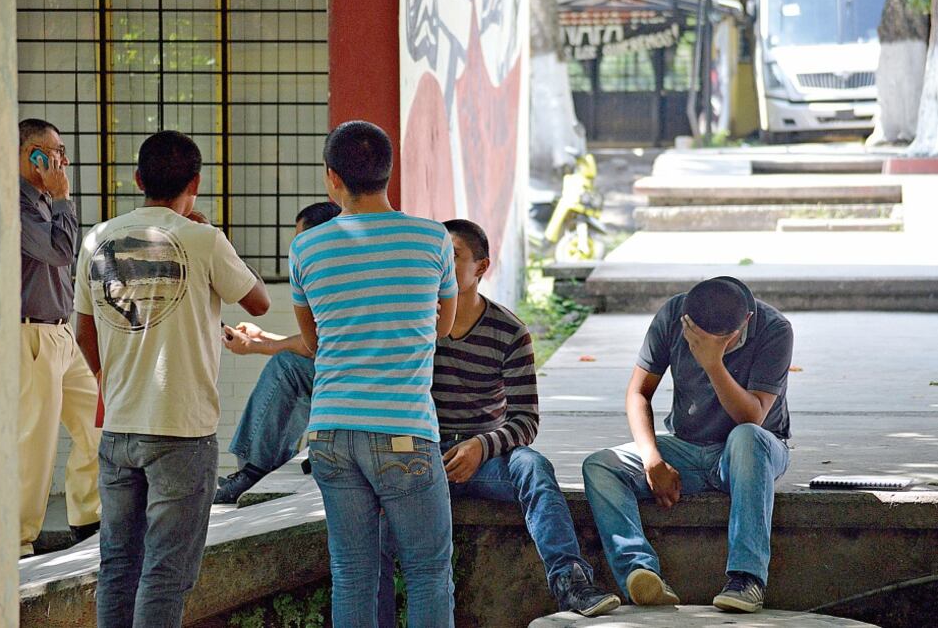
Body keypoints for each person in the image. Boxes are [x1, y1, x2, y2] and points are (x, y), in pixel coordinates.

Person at [377, 219, 620, 620]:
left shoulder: (509, 331)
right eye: (436, 257)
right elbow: (392, 398)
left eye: (453, 256)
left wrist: (480, 446)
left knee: (532, 466)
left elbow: (526, 420)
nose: (440, 266)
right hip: (425, 456)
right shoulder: (413, 324)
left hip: (486, 460)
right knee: (379, 511)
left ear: (481, 267)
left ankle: (571, 582)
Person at [74, 130, 270, 627]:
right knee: (166, 571)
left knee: (117, 566)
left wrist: (107, 380)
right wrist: (212, 235)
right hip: (183, 431)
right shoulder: (204, 240)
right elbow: (259, 302)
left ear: (138, 179)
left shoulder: (96, 239)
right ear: (196, 184)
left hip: (119, 427)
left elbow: (83, 331)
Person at [290, 120, 457, 627]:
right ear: (389, 171)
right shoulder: (433, 239)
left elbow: (314, 342)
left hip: (330, 432)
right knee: (428, 572)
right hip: (404, 430)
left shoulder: (306, 248)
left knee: (352, 574)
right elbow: (444, 326)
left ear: (332, 177)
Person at [582, 277, 793, 614]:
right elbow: (638, 393)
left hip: (752, 453)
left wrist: (713, 362)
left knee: (746, 437)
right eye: (696, 335)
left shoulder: (775, 329)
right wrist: (652, 459)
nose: (701, 343)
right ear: (687, 320)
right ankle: (640, 571)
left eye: (721, 340)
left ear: (746, 322)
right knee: (600, 465)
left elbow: (752, 416)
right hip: (688, 447)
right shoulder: (672, 315)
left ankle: (747, 579)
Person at [214, 201, 341, 504]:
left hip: (358, 381)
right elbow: (317, 342)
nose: (295, 248)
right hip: (354, 376)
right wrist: (262, 337)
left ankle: (254, 470)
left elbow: (314, 346)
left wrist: (257, 346)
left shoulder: (329, 273)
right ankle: (262, 465)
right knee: (290, 364)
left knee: (287, 367)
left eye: (300, 239)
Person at [17, 118, 101, 558]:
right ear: (32, 155)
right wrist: (64, 197)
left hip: (61, 332)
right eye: (56, 152)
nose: (64, 161)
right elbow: (61, 252)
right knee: (35, 445)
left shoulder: (46, 203)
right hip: (29, 335)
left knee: (99, 421)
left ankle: (89, 518)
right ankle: (18, 541)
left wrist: (58, 199)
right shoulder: (15, 203)